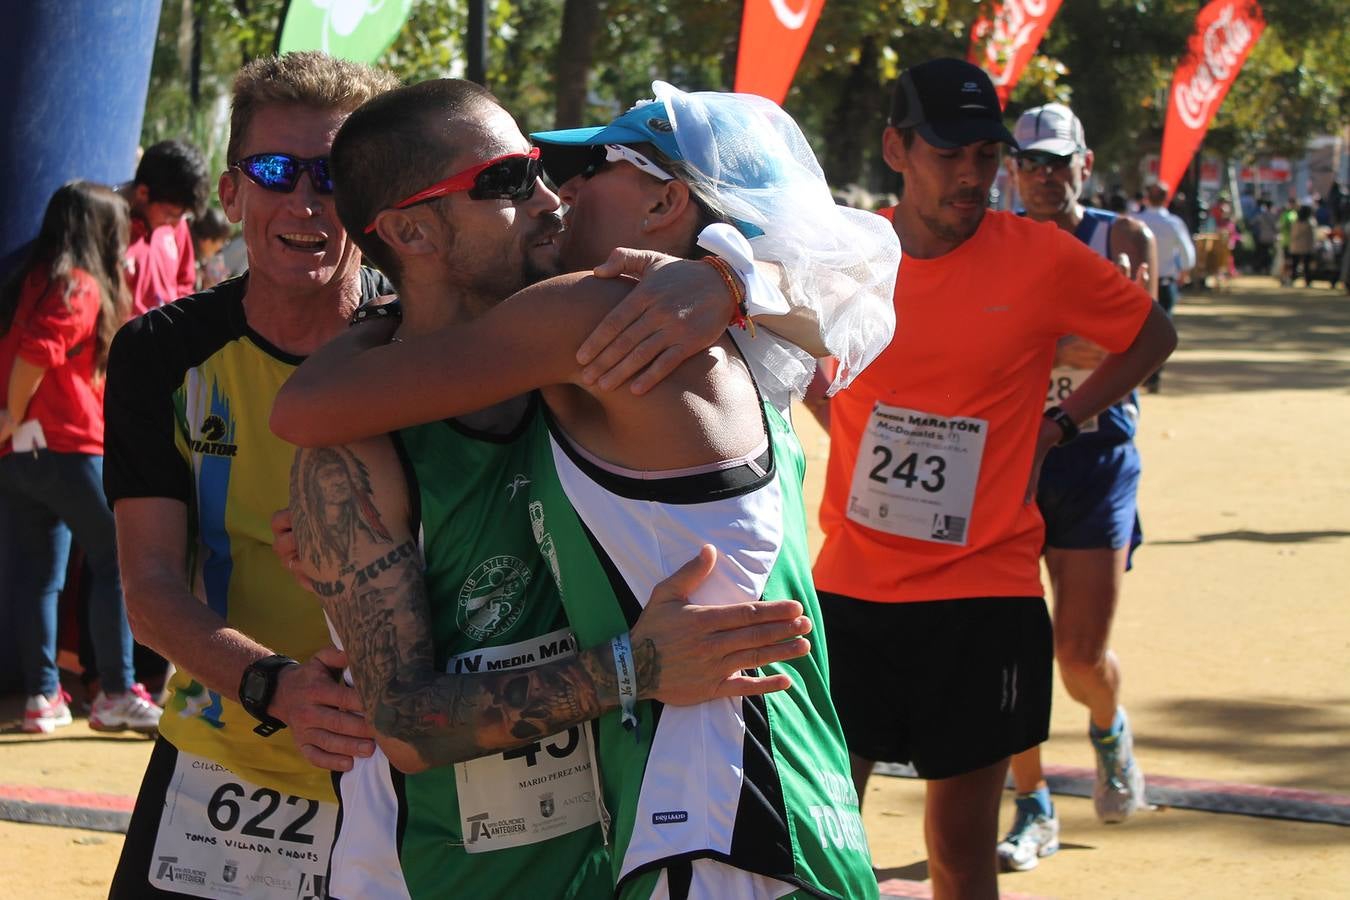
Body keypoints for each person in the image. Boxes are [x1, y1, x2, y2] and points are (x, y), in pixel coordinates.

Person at [272, 78, 896, 899]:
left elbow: (301, 405)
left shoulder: (601, 328)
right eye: (506, 180)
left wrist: (730, 276)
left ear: (667, 201)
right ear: (411, 229)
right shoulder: (616, 343)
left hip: (710, 833)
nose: (552, 196)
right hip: (451, 870)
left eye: (561, 169)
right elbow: (404, 722)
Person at [810, 58, 1176, 900]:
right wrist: (841, 420)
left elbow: (1149, 334)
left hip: (983, 594)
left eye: (985, 154)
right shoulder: (848, 254)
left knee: (961, 852)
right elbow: (788, 352)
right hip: (854, 589)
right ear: (897, 148)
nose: (973, 176)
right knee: (826, 836)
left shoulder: (1039, 258)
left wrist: (1062, 422)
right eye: (950, 154)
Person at [103, 52, 404, 898]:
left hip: (405, 772)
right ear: (231, 195)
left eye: (333, 175)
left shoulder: (428, 342)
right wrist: (278, 687)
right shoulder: (160, 352)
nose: (304, 200)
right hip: (223, 754)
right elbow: (150, 584)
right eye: (275, 172)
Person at [994, 103, 1159, 872]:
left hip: (1094, 457)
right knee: (1010, 652)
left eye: (1059, 162)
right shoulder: (988, 243)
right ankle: (1033, 805)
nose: (1045, 176)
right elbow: (1082, 341)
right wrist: (1072, 339)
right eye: (1030, 163)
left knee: (1078, 655)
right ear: (1011, 171)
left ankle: (1108, 728)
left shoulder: (1124, 239)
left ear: (1085, 164)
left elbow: (1136, 347)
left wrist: (1044, 344)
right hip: (1004, 460)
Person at [0, 181, 161, 736]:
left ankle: (42, 697)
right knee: (117, 560)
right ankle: (116, 691)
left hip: (21, 458)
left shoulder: (33, 281)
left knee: (40, 575)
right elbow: (34, 356)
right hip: (68, 446)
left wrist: (13, 424)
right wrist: (11, 413)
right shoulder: (81, 285)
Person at [118, 139, 210, 317]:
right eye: (170, 215)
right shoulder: (110, 227)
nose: (176, 224)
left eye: (183, 216)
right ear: (143, 193)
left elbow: (185, 283)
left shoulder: (177, 225)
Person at [1137, 180, 1196, 391]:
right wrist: (1184, 271)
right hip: (1164, 283)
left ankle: (1139, 375)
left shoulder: (1135, 221)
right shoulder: (1173, 223)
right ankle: (1154, 376)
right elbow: (1188, 256)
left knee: (1138, 332)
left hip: (1139, 285)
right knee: (1161, 331)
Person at [189, 206, 234, 290]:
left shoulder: (199, 261)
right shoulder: (187, 260)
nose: (221, 246)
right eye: (221, 241)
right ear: (206, 241)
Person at [1288, 204, 1316, 286]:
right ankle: (1307, 281)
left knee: (1294, 265)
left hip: (1295, 247)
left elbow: (1292, 235)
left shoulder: (1295, 223)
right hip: (1306, 247)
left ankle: (1292, 279)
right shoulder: (1310, 223)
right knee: (1306, 266)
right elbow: (1312, 237)